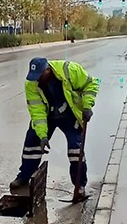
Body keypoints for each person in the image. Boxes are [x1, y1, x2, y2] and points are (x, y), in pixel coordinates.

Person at [9, 57, 100, 198]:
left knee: (76, 149)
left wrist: (87, 105)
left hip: (69, 114)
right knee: (32, 143)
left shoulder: (69, 70)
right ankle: (24, 176)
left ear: (48, 69)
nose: (37, 79)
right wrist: (43, 135)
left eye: (40, 76)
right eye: (35, 77)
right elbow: (37, 111)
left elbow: (91, 83)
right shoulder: (31, 83)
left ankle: (79, 185)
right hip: (48, 115)